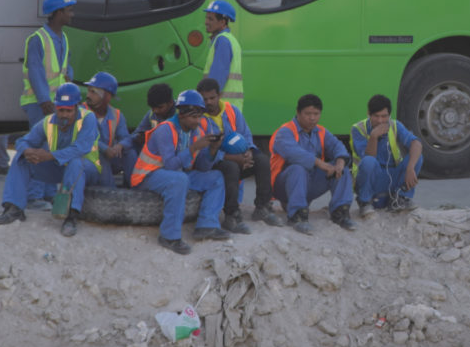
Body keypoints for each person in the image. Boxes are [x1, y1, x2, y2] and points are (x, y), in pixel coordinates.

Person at [0, 83, 100, 237]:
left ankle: (71, 216)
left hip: (87, 169)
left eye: (68, 111)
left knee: (76, 163)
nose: (64, 115)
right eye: (61, 110)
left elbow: (80, 148)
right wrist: (28, 151)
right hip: (61, 168)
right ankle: (14, 208)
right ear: (56, 107)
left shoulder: (88, 118)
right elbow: (22, 141)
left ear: (76, 107)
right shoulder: (48, 121)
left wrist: (48, 155)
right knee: (21, 159)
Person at [130, 89, 231, 255]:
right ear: (182, 115)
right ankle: (169, 236)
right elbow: (170, 165)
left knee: (216, 177)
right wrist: (194, 148)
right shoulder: (165, 129)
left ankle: (207, 225)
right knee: (179, 180)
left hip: (177, 174)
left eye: (199, 116)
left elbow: (203, 167)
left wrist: (212, 149)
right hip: (147, 176)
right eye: (194, 117)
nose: (198, 121)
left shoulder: (196, 132)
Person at [19, 0, 76, 208]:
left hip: (56, 104)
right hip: (39, 103)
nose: (71, 14)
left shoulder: (64, 38)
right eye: (69, 10)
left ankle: (49, 193)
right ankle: (34, 196)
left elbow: (64, 67)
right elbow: (35, 71)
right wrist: (44, 101)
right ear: (58, 12)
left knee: (53, 147)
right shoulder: (38, 39)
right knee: (40, 147)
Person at [196, 77, 275, 233]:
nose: (208, 102)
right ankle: (232, 215)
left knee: (262, 161)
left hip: (238, 156)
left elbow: (246, 134)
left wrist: (248, 152)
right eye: (204, 99)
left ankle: (263, 207)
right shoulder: (197, 118)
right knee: (231, 168)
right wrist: (233, 158)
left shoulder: (231, 110)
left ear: (219, 95)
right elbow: (203, 153)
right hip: (213, 161)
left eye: (212, 98)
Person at [269, 94, 355, 235]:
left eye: (316, 114)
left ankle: (340, 213)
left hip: (309, 183)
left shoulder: (320, 131)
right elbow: (293, 154)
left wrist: (340, 161)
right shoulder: (285, 131)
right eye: (308, 114)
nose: (312, 118)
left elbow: (337, 145)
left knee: (341, 168)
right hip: (283, 185)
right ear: (298, 113)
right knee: (298, 168)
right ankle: (297, 216)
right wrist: (320, 163)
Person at [350, 94, 423, 217]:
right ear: (369, 114)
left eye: (384, 116)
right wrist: (374, 137)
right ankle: (365, 203)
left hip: (391, 180)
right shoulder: (358, 129)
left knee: (417, 157)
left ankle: (400, 199)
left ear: (389, 115)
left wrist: (410, 168)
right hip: (371, 184)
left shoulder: (395, 125)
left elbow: (416, 143)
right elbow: (368, 157)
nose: (380, 121)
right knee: (368, 161)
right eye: (376, 116)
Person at [82, 71, 135, 187]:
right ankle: (111, 191)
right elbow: (87, 138)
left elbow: (126, 138)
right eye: (89, 91)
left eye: (93, 92)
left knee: (129, 152)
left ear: (107, 96)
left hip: (110, 160)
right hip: (87, 161)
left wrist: (120, 145)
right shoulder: (80, 111)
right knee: (100, 154)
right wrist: (105, 149)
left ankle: (134, 186)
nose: (88, 95)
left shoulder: (116, 115)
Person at [203, 0, 243, 112]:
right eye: (206, 18)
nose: (206, 22)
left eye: (211, 19)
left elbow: (217, 78)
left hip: (221, 108)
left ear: (223, 22)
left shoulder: (222, 41)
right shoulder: (230, 39)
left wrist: (207, 101)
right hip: (229, 108)